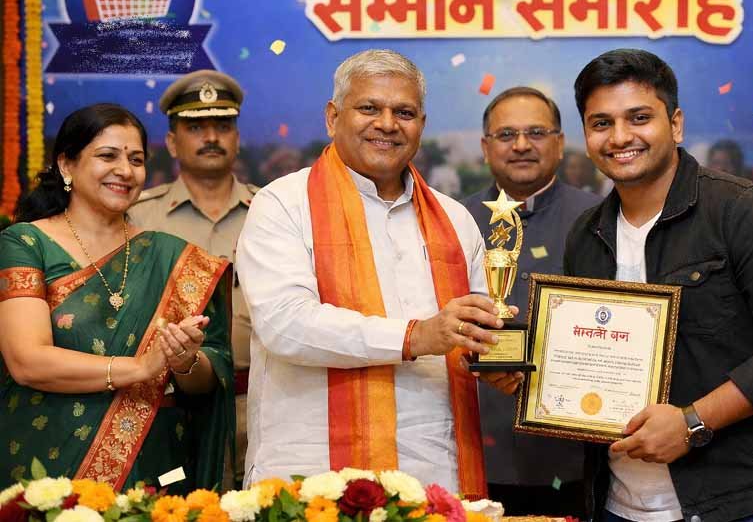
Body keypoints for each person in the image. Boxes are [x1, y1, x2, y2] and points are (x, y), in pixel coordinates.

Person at [564, 49, 753, 522]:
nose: (621, 137)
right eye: (601, 123)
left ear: (675, 125)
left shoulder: (741, 209)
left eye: (639, 118)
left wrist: (692, 422)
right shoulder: (586, 234)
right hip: (620, 504)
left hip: (745, 501)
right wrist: (532, 377)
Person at [235, 49, 504, 497]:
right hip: (312, 473)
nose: (387, 124)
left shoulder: (455, 219)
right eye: (369, 108)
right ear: (332, 117)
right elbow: (285, 324)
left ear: (421, 124)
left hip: (434, 469)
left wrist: (502, 362)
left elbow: (474, 330)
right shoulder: (283, 204)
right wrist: (415, 336)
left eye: (404, 113)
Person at [0, 103, 234, 490]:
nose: (125, 171)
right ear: (66, 165)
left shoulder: (171, 256)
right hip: (48, 467)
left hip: (154, 469)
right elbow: (26, 361)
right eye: (108, 156)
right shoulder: (26, 243)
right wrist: (140, 368)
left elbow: (211, 376)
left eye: (136, 160)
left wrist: (185, 361)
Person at [462, 87, 600, 516]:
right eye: (506, 134)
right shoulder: (454, 220)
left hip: (576, 449)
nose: (521, 145)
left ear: (560, 143)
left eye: (536, 133)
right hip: (478, 444)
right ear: (485, 147)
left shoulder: (600, 218)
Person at [129, 69, 256, 488]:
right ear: (171, 142)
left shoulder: (273, 213)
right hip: (165, 408)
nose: (212, 137)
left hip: (258, 404)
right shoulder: (137, 218)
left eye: (223, 126)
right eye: (196, 128)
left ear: (237, 138)